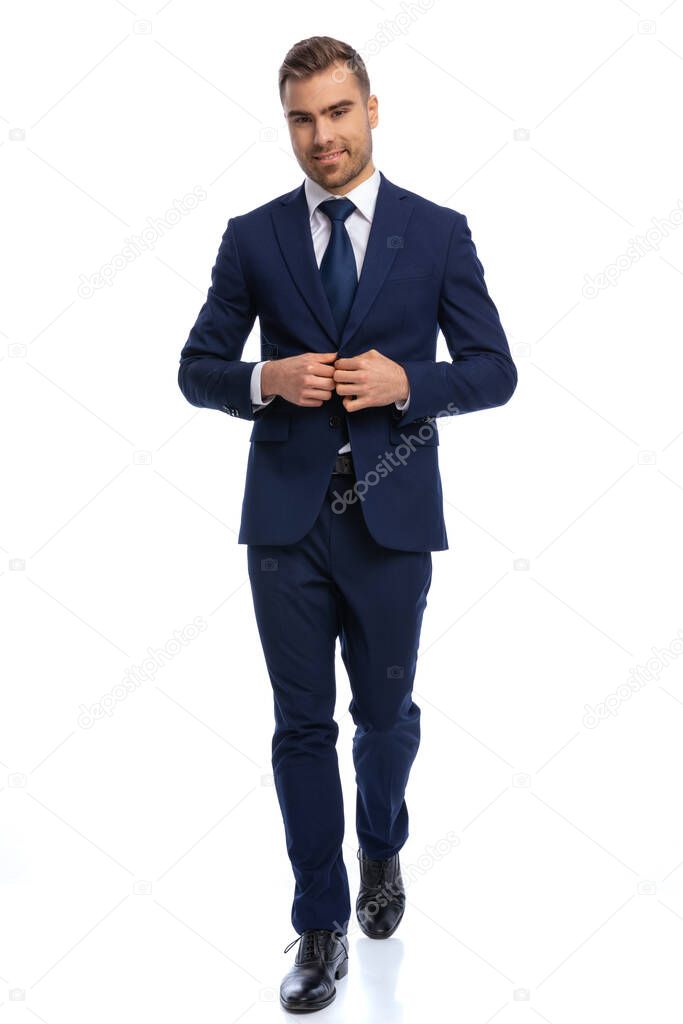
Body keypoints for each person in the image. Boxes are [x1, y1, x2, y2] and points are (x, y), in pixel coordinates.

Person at [177, 34, 517, 1014]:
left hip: (392, 515)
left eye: (335, 112)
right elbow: (196, 366)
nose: (319, 136)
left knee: (383, 720)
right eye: (300, 118)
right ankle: (318, 923)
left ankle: (380, 845)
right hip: (285, 522)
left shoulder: (438, 232)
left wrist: (412, 383)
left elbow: (493, 370)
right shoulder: (253, 237)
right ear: (286, 124)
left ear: (372, 109)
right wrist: (261, 380)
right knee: (299, 726)